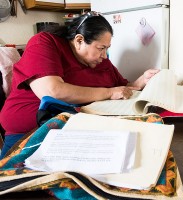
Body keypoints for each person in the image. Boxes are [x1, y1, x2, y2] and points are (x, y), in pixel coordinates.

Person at [0, 11, 159, 159]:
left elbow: (121, 90)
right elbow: (52, 91)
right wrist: (109, 93)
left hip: (77, 133)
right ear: (79, 40)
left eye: (107, 49)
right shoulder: (45, 43)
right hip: (28, 133)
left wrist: (139, 82)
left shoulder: (100, 62)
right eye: (101, 48)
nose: (104, 55)